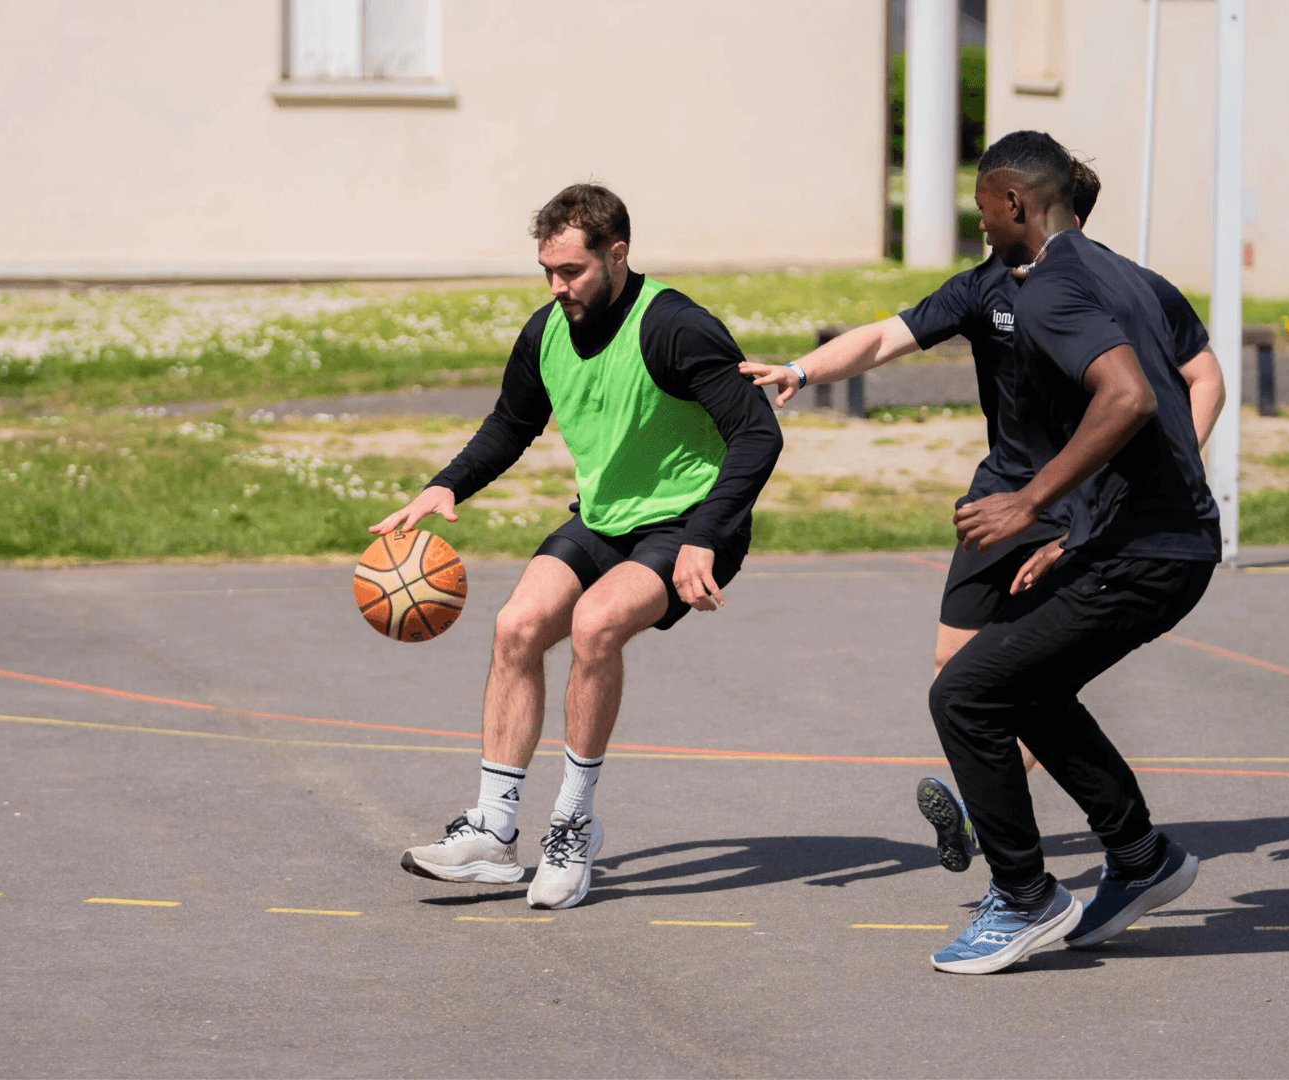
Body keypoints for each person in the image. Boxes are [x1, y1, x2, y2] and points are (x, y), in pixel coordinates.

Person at [739, 159, 1224, 878]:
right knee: (956, 667)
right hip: (998, 498)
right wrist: (801, 372)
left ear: (1031, 208)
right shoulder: (983, 286)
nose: (981, 220)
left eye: (989, 205)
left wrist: (1165, 475)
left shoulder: (1122, 289)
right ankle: (1060, 834)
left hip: (1078, 506)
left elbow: (1200, 376)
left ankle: (1006, 849)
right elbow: (885, 335)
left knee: (1001, 685)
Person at [372, 183, 782, 910]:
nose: (559, 287)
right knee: (516, 627)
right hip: (604, 517)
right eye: (548, 272)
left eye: (573, 272)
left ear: (617, 255)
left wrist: (707, 538)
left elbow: (758, 433)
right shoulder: (547, 331)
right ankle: (495, 834)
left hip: (688, 524)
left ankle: (572, 822)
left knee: (594, 626)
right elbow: (511, 422)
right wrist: (447, 486)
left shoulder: (677, 328)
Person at [905, 129, 1222, 973]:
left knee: (965, 695)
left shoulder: (1049, 289)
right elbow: (1181, 384)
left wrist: (1029, 501)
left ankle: (1024, 898)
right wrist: (1079, 531)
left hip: (1146, 552)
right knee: (1029, 689)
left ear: (1013, 203)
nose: (981, 224)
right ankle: (1141, 857)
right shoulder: (1127, 275)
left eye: (982, 209)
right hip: (1154, 541)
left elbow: (1127, 399)